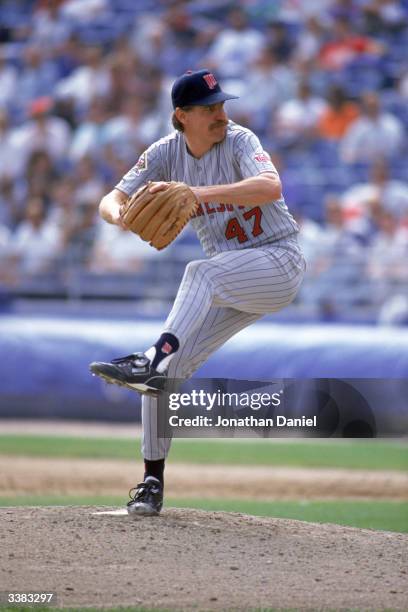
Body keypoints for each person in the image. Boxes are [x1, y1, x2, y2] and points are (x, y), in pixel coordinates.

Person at [90, 69, 305, 516]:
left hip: (277, 262)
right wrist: (123, 215)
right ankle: (151, 482)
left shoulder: (241, 141)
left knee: (198, 274)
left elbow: (271, 187)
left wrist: (196, 193)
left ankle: (154, 356)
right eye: (210, 108)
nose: (221, 114)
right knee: (167, 377)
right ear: (181, 116)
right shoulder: (164, 154)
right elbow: (109, 200)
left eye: (222, 105)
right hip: (232, 278)